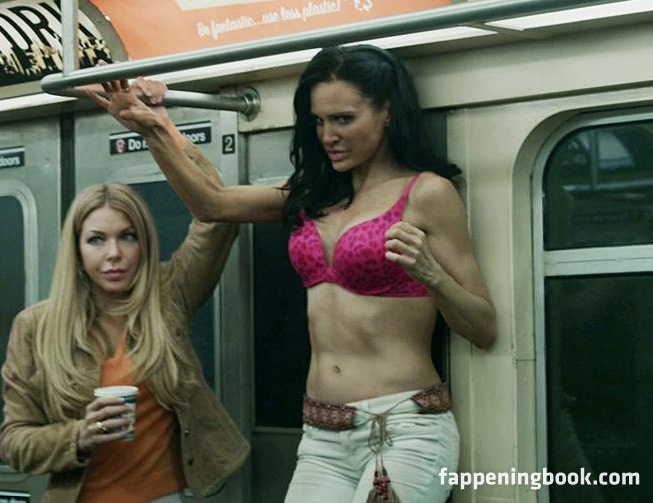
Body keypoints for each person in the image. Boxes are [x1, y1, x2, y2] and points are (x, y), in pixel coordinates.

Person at [88, 45, 496, 502]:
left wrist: (430, 274)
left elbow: (483, 326)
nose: (328, 136)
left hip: (402, 428)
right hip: (322, 437)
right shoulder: (310, 196)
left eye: (343, 119)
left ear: (387, 112)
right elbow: (212, 204)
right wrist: (155, 127)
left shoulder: (427, 193)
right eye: (318, 122)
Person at [0, 79, 250, 503]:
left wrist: (160, 127)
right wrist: (80, 434)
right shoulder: (36, 326)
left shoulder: (167, 295)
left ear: (144, 243)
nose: (113, 253)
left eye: (127, 237)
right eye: (97, 240)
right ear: (77, 250)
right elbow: (15, 443)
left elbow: (217, 213)